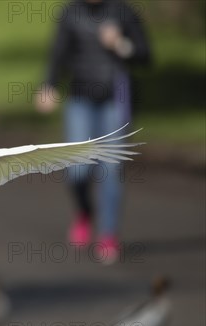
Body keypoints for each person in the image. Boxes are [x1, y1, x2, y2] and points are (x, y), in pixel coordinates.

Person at [35, 0, 151, 264]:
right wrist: (49, 85)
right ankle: (85, 211)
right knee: (77, 168)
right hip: (80, 98)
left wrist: (121, 44)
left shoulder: (124, 11)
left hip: (117, 96)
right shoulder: (70, 13)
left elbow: (145, 55)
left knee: (111, 168)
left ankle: (109, 233)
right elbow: (58, 54)